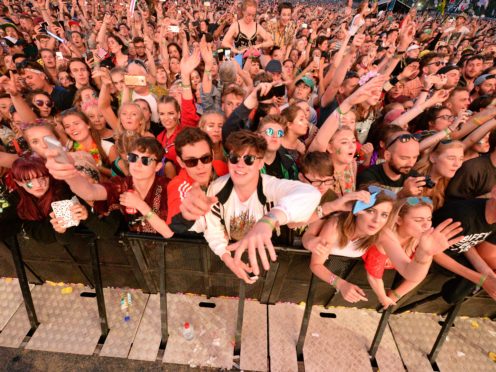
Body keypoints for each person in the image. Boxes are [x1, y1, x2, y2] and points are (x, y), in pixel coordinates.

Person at [304, 184, 463, 303]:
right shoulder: (335, 225)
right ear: (358, 210)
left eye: (384, 214)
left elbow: (409, 272)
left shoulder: (382, 233)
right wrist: (341, 284)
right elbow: (316, 264)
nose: (377, 220)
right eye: (370, 211)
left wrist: (424, 254)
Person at [45, 136, 174, 238]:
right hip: (137, 254)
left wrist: (140, 205)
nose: (137, 164)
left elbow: (168, 234)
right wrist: (69, 172)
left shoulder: (168, 186)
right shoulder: (120, 184)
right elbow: (89, 193)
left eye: (146, 160)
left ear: (158, 166)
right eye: (134, 157)